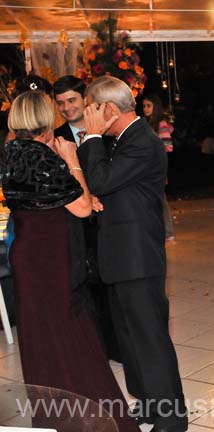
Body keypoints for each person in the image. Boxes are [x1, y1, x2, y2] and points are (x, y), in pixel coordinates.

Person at [0, 90, 139, 432]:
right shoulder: (47, 157)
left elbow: (51, 198)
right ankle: (87, 418)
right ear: (45, 120)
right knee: (69, 334)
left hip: (27, 254)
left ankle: (52, 418)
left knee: (41, 337)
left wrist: (79, 191)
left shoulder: (10, 152)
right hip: (52, 257)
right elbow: (80, 206)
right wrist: (72, 159)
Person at [78, 76, 188, 432]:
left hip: (138, 256)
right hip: (121, 255)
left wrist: (91, 139)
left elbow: (102, 180)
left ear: (109, 109)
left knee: (149, 338)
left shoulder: (142, 142)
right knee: (129, 337)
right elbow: (104, 183)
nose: (86, 117)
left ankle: (172, 418)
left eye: (91, 109)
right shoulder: (121, 141)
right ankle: (151, 403)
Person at [52, 74, 121, 363]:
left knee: (114, 286)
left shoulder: (108, 132)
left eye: (72, 100)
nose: (67, 108)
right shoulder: (56, 138)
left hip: (111, 219)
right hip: (77, 223)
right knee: (86, 287)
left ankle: (118, 346)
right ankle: (95, 350)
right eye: (60, 103)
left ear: (85, 100)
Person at [142, 93, 175, 241]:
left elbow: (167, 147)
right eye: (143, 106)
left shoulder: (161, 124)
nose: (145, 109)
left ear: (155, 107)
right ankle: (157, 231)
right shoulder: (145, 123)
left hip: (156, 168)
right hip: (145, 167)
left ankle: (168, 232)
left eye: (149, 106)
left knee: (160, 199)